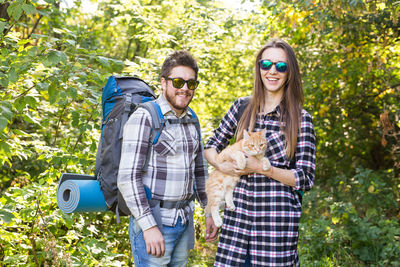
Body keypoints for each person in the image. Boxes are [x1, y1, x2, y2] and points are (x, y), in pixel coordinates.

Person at [204, 38, 316, 266]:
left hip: (274, 232)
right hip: (236, 228)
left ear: (289, 72)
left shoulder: (301, 119)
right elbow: (210, 146)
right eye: (266, 64)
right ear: (259, 68)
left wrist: (261, 169)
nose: (272, 71)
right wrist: (220, 165)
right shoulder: (241, 107)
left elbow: (304, 178)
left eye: (281, 66)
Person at [118, 50, 218, 266]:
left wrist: (210, 211)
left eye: (191, 84)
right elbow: (127, 177)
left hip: (184, 221)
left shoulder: (192, 119)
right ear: (163, 82)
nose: (185, 88)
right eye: (178, 81)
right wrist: (149, 226)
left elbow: (200, 171)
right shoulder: (145, 116)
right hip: (156, 224)